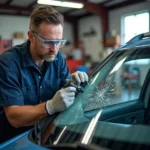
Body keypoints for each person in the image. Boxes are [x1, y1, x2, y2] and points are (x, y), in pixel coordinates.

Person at [0, 5, 88, 142]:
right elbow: (14, 117)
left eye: (59, 42)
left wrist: (73, 84)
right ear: (31, 36)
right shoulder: (8, 63)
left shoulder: (58, 59)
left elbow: (64, 91)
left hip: (48, 135)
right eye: (48, 42)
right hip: (14, 140)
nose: (54, 49)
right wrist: (50, 106)